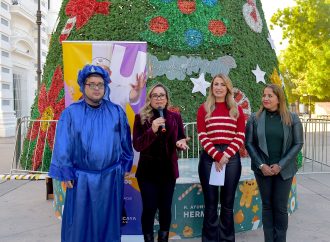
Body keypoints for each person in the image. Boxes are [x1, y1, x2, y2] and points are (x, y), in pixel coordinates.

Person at [49, 64, 133, 242]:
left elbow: (125, 142)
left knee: (108, 223)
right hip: (82, 180)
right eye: (92, 84)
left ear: (105, 87)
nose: (97, 88)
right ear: (83, 86)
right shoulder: (71, 113)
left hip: (111, 179)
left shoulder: (116, 112)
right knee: (80, 225)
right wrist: (65, 172)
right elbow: (63, 144)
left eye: (100, 84)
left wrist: (125, 165)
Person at [245, 84, 303, 242]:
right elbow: (249, 143)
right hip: (263, 170)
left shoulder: (292, 118)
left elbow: (298, 143)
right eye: (264, 95)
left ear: (279, 98)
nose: (265, 98)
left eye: (270, 95)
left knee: (280, 207)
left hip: (284, 171)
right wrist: (261, 165)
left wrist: (281, 165)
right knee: (267, 206)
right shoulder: (254, 119)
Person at [133, 83, 189, 242]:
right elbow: (137, 145)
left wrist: (181, 144)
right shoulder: (140, 118)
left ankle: (163, 238)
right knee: (149, 208)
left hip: (168, 171)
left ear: (166, 99)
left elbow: (180, 139)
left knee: (165, 208)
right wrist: (153, 129)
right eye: (155, 95)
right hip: (147, 173)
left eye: (161, 95)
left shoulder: (175, 117)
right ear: (150, 99)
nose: (158, 98)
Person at [197, 74, 246, 242]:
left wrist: (225, 155)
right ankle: (209, 239)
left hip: (231, 157)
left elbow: (240, 136)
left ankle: (226, 239)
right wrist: (217, 156)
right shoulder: (204, 108)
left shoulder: (236, 109)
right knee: (210, 204)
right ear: (212, 88)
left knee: (227, 203)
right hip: (209, 157)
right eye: (215, 84)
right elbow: (202, 135)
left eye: (222, 84)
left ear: (228, 88)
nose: (218, 87)